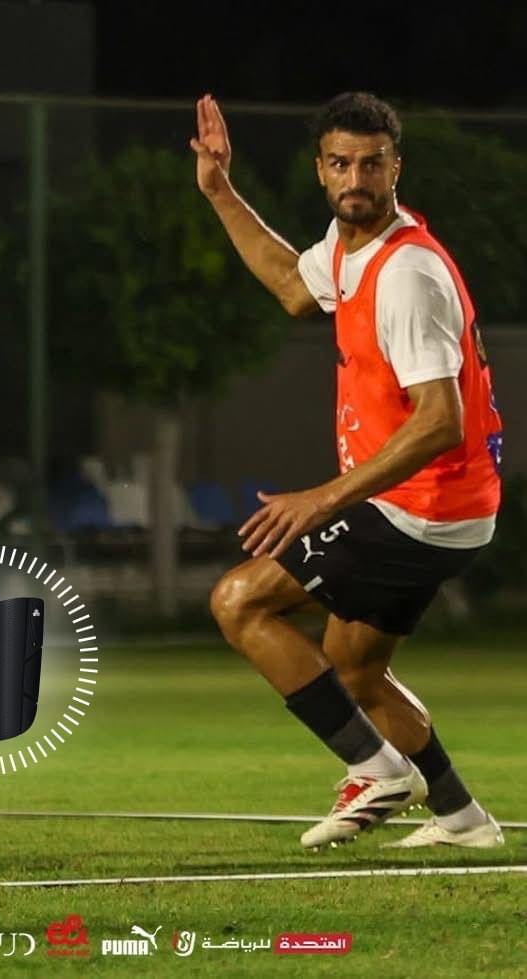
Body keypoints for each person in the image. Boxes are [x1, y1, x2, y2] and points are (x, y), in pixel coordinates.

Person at [193, 91, 504, 849]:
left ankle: (377, 769)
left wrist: (321, 499)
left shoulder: (406, 273)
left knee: (240, 602)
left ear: (397, 167)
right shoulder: (344, 246)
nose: (355, 177)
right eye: (340, 163)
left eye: (371, 163)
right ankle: (464, 817)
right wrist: (219, 190)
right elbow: (294, 287)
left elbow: (439, 421)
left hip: (422, 506)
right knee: (351, 668)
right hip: (437, 505)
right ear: (320, 170)